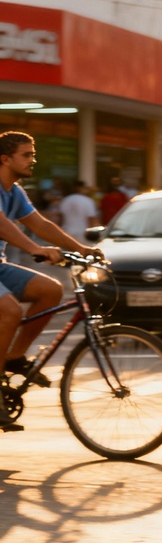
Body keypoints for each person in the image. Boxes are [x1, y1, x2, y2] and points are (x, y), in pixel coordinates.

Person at [0, 132, 100, 385]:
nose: (33, 160)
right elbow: (1, 225)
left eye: (33, 154)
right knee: (10, 310)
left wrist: (82, 249)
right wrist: (36, 249)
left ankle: (14, 356)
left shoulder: (14, 192)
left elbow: (41, 225)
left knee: (51, 291)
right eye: (27, 155)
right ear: (5, 159)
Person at [57, 180, 100, 245]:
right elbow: (91, 219)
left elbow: (61, 218)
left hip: (67, 233)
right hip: (83, 234)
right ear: (81, 188)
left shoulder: (66, 200)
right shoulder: (88, 201)